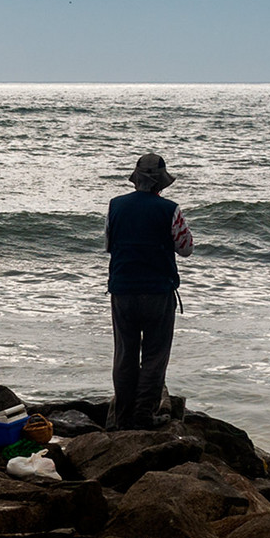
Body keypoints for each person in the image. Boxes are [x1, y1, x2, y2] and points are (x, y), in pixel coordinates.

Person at [105, 153, 194, 430]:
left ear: (136, 179)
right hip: (157, 292)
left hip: (122, 289)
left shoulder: (115, 206)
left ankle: (122, 418)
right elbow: (186, 248)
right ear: (162, 184)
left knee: (124, 354)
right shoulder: (170, 209)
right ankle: (143, 415)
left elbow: (109, 244)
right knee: (155, 355)